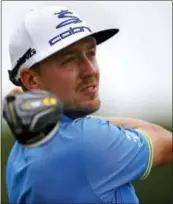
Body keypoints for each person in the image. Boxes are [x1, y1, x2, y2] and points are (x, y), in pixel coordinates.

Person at [5, 5, 172, 204]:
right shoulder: (89, 139)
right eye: (69, 60)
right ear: (32, 80)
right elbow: (165, 141)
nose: (90, 70)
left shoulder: (17, 155)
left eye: (91, 53)